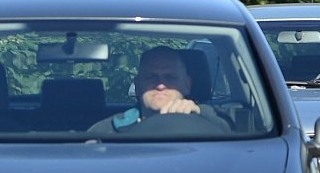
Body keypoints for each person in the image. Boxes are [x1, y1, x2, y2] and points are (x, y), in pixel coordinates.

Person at [93, 46, 225, 132]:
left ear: (187, 85)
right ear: (137, 86)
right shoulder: (106, 131)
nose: (160, 85)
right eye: (151, 77)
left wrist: (201, 115)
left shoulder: (216, 125)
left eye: (170, 77)